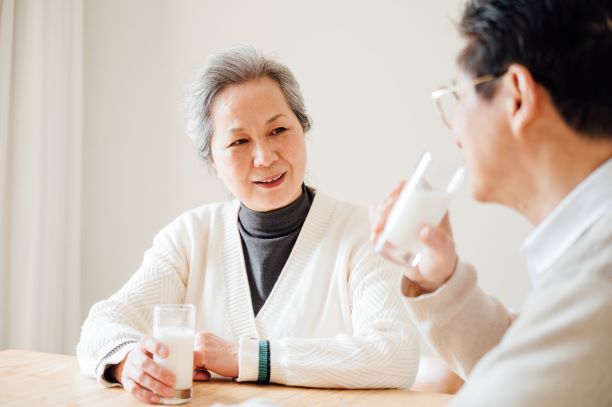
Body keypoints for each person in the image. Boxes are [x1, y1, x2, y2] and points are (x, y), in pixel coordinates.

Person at [77, 45, 420, 404]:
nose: (265, 157)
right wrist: (128, 362)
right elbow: (102, 326)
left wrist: (248, 358)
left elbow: (394, 355)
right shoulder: (190, 237)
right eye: (240, 141)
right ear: (212, 160)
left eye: (278, 130)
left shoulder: (363, 233)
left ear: (303, 129)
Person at [371, 0, 612, 405]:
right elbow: (543, 366)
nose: (455, 131)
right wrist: (442, 283)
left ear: (517, 96)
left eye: (456, 95)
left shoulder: (598, 277)